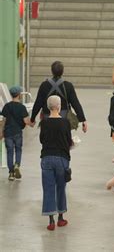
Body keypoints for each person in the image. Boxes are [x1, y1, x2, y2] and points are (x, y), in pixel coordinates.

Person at [40, 95, 73, 231]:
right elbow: (68, 141)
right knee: (60, 187)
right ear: (59, 106)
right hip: (62, 158)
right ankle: (61, 218)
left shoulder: (44, 123)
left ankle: (51, 221)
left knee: (48, 189)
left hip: (47, 157)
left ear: (48, 107)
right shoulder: (65, 123)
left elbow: (42, 140)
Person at [30, 61, 87, 132]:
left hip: (48, 118)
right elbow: (75, 103)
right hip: (64, 119)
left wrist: (32, 119)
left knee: (47, 139)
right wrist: (83, 120)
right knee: (64, 140)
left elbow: (38, 103)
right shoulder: (68, 86)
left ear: (52, 71)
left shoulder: (44, 85)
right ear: (62, 71)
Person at [1, 86, 34, 181]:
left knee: (10, 152)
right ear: (19, 95)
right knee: (18, 149)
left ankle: (11, 173)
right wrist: (32, 124)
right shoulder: (22, 107)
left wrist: (1, 132)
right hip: (18, 132)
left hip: (8, 133)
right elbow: (26, 121)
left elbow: (3, 120)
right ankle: (17, 165)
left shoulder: (7, 106)